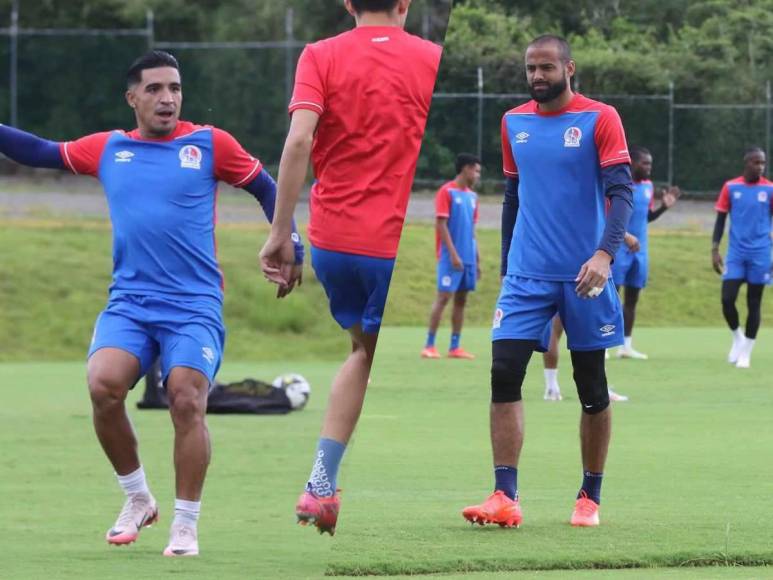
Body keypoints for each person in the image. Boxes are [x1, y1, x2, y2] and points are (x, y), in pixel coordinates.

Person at [0, 50, 303, 556]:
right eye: (156, 89)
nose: (168, 98)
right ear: (133, 97)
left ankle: (185, 523)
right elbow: (37, 151)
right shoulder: (108, 149)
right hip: (131, 303)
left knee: (185, 395)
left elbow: (266, 186)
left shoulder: (210, 143)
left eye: (175, 88)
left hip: (194, 304)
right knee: (103, 387)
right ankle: (138, 497)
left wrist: (289, 238)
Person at [259, 0, 441, 535]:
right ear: (404, 4)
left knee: (363, 351)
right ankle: (321, 485)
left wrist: (280, 232)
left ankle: (322, 487)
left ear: (348, 4)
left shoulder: (320, 55)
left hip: (335, 240)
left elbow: (298, 140)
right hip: (392, 241)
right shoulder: (430, 57)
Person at [461, 34, 633, 529]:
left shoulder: (601, 118)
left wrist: (605, 253)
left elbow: (621, 192)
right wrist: (506, 264)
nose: (537, 76)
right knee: (503, 371)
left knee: (591, 386)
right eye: (531, 69)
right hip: (526, 275)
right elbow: (514, 196)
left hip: (585, 274)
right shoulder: (513, 122)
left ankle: (589, 497)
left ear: (569, 68)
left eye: (546, 68)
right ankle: (504, 495)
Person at [612, 145, 679, 359]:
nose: (649, 167)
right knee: (612, 298)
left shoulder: (649, 186)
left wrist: (664, 207)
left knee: (632, 299)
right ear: (632, 162)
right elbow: (607, 216)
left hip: (640, 251)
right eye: (645, 163)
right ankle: (603, 345)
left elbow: (646, 217)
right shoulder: (619, 184)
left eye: (650, 163)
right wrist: (624, 237)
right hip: (618, 248)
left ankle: (626, 346)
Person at [712, 147, 773, 368]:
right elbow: (720, 220)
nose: (760, 167)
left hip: (761, 254)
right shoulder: (731, 187)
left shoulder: (769, 189)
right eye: (756, 162)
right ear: (746, 163)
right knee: (727, 299)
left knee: (754, 302)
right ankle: (737, 337)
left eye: (763, 163)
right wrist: (714, 249)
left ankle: (746, 351)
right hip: (736, 254)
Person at [421, 153, 482, 360]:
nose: (478, 175)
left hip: (468, 258)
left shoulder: (473, 197)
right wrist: (454, 255)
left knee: (461, 300)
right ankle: (429, 345)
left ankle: (454, 347)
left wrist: (477, 259)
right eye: (476, 170)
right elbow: (441, 225)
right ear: (465, 169)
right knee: (443, 297)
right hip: (450, 258)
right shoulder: (446, 192)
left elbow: (472, 229)